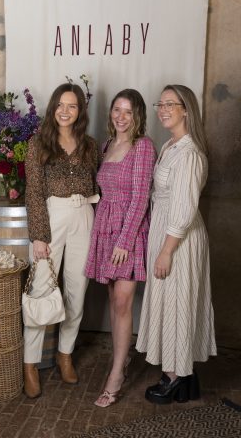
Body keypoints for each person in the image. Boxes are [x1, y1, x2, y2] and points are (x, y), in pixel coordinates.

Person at [135, 84, 216, 404]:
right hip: (165, 232)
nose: (163, 109)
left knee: (178, 304)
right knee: (170, 303)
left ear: (186, 109)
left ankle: (176, 376)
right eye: (161, 104)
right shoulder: (171, 146)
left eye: (171, 104)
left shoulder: (189, 153)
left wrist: (167, 251)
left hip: (179, 240)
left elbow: (183, 210)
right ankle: (182, 374)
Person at [23, 82, 99, 398]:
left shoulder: (90, 145)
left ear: (80, 111)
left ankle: (65, 354)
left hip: (84, 215)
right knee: (41, 289)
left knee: (77, 291)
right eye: (61, 105)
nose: (65, 111)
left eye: (72, 106)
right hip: (52, 215)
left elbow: (99, 183)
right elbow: (33, 192)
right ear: (53, 107)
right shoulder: (38, 143)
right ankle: (30, 364)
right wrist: (39, 237)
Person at [84, 89, 156, 407]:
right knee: (114, 300)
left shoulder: (143, 146)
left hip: (130, 230)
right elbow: (101, 191)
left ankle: (116, 375)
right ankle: (122, 358)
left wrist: (125, 241)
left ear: (137, 115)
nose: (121, 116)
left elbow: (140, 197)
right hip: (105, 226)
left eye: (128, 111)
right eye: (117, 110)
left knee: (124, 301)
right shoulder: (107, 145)